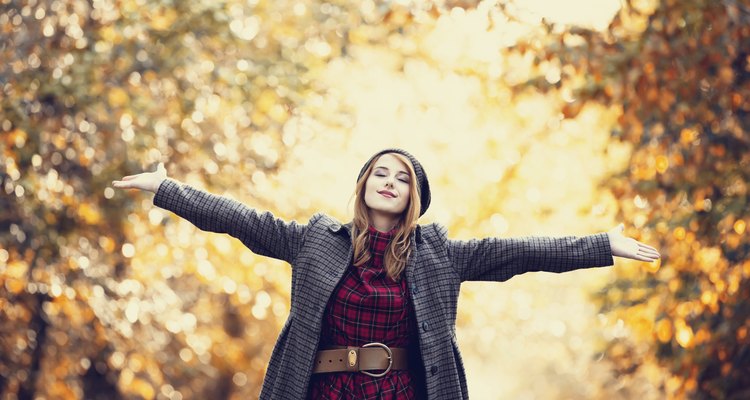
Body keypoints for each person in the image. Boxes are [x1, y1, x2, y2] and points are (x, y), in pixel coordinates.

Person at [112, 148, 660, 399]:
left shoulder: (439, 254)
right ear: (364, 184)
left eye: (402, 177)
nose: (390, 181)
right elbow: (241, 221)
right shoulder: (315, 242)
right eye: (380, 172)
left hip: (398, 392)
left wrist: (601, 245)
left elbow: (516, 252)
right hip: (318, 390)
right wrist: (167, 190)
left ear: (413, 197)